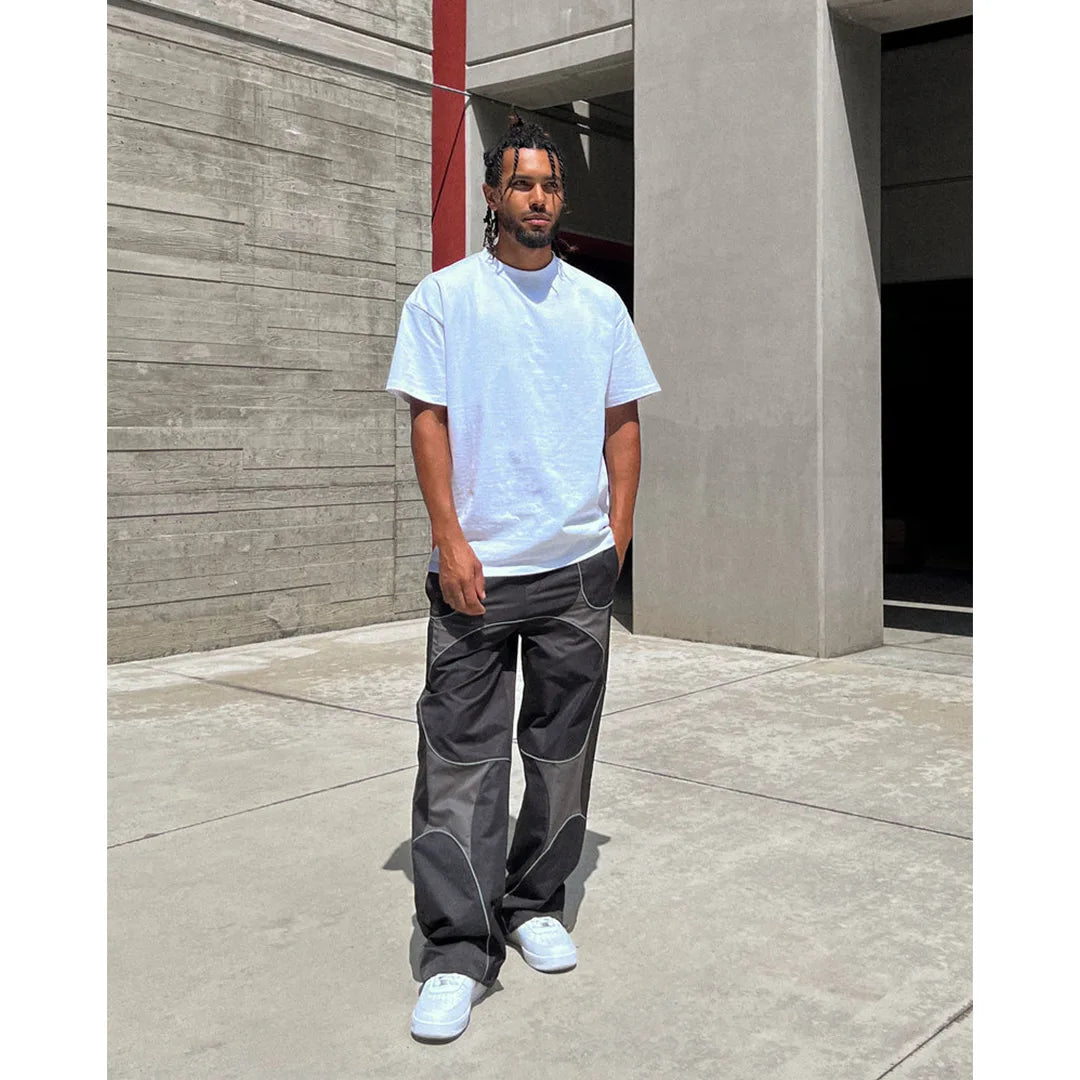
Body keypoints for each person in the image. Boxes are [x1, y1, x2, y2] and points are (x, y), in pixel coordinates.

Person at [385, 113, 661, 1041]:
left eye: (550, 185)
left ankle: (535, 902)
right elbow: (429, 422)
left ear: (558, 200)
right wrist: (450, 541)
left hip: (574, 570)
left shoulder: (599, 306)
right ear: (493, 198)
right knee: (461, 763)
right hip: (476, 574)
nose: (538, 197)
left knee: (559, 754)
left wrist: (615, 538)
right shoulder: (445, 298)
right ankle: (458, 950)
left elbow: (623, 423)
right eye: (522, 184)